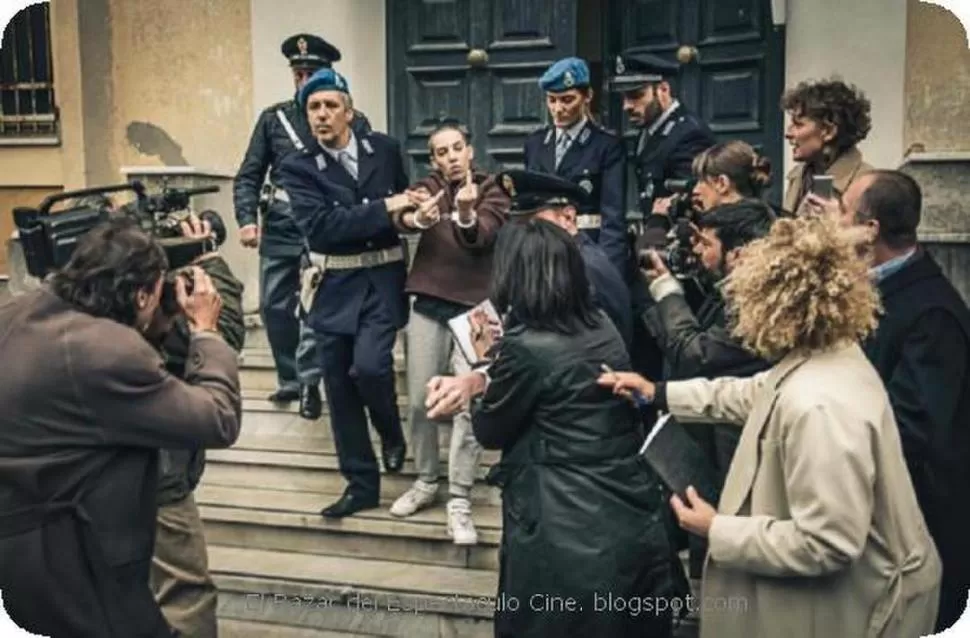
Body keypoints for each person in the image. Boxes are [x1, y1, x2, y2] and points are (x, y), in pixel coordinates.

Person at [598, 215, 942, 638]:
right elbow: (753, 392)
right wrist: (659, 392)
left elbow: (828, 542)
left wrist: (714, 528)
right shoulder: (825, 354)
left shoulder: (820, 406)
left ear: (775, 307)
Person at [427, 220, 682, 638]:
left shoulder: (526, 346)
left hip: (562, 525)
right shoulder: (598, 323)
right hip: (619, 511)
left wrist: (476, 372)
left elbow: (491, 428)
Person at [0, 219, 242, 638]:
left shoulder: (16, 313)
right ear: (144, 293)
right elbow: (217, 419)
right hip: (75, 548)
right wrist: (206, 331)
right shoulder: (106, 349)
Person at [277, 67, 417, 518]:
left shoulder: (386, 150)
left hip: (381, 282)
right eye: (313, 108)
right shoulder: (298, 168)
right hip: (332, 287)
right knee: (338, 389)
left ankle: (392, 433)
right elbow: (320, 228)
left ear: (349, 111)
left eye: (330, 105)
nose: (321, 115)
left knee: (372, 368)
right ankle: (361, 484)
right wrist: (384, 208)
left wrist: (408, 213)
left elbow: (406, 203)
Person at [838, 170, 970, 632]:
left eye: (843, 211)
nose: (835, 221)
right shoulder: (882, 290)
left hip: (916, 538)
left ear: (869, 230)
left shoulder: (929, 313)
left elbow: (914, 433)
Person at [233, 33, 372, 419]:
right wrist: (247, 219)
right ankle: (291, 378)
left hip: (326, 225)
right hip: (280, 223)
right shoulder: (273, 119)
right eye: (299, 72)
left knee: (316, 303)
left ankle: (313, 381)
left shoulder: (352, 119)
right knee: (274, 305)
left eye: (312, 72)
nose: (303, 78)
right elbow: (249, 174)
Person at [386, 119, 508, 544]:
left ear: (470, 151)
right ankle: (425, 480)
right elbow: (403, 217)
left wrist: (468, 211)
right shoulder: (427, 185)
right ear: (434, 158)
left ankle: (459, 497)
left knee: (469, 403)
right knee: (422, 400)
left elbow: (482, 237)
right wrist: (415, 217)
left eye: (457, 148)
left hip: (480, 309)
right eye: (442, 151)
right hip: (428, 302)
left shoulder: (495, 188)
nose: (451, 157)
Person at [148, 217, 246, 638]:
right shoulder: (144, 323)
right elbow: (218, 414)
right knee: (184, 596)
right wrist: (208, 261)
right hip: (157, 477)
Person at [496, 169, 633, 349]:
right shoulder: (557, 260)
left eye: (534, 225)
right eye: (518, 225)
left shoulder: (582, 270)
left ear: (568, 217)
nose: (523, 236)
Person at [523, 57, 628, 276]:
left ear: (587, 96)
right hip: (543, 252)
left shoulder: (606, 146)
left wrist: (606, 272)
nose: (558, 109)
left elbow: (613, 218)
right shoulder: (535, 144)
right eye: (551, 100)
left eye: (567, 100)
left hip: (586, 250)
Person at [609, 50, 716, 235]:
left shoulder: (689, 134)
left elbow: (693, 203)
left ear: (663, 90)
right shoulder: (647, 131)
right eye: (624, 98)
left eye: (636, 95)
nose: (626, 106)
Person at [781, 78, 872, 215]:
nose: (788, 134)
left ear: (828, 131)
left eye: (798, 124)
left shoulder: (867, 184)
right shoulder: (799, 176)